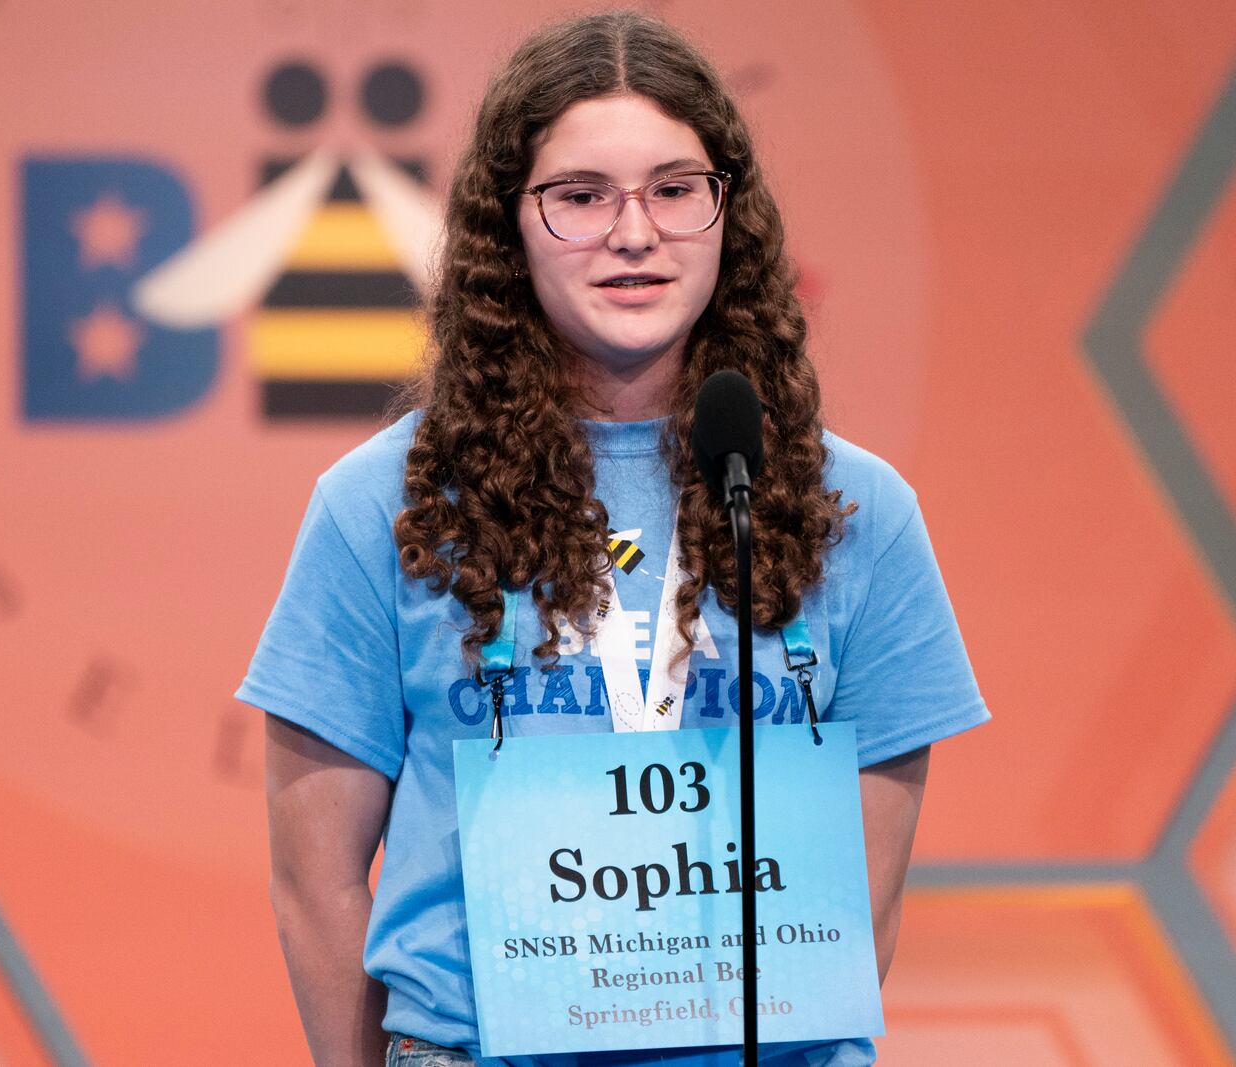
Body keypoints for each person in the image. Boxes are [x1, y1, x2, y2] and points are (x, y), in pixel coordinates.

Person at [238, 12, 989, 1066]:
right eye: (580, 196)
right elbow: (314, 881)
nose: (632, 233)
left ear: (729, 215)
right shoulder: (382, 506)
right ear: (509, 225)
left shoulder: (850, 510)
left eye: (675, 190)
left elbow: (864, 893)